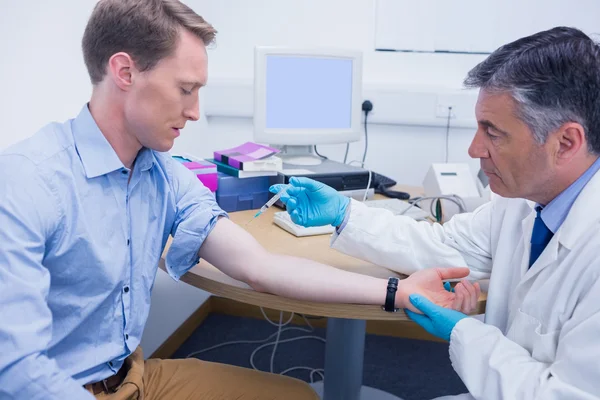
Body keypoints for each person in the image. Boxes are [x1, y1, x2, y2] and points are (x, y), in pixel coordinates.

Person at [0, 1, 475, 399]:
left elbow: (260, 267)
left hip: (134, 378)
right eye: (185, 89)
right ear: (124, 71)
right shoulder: (28, 182)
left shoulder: (163, 175)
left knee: (298, 396)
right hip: (58, 389)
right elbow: (16, 370)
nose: (194, 111)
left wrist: (398, 292)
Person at [271, 26, 600, 399]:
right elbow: (442, 248)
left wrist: (465, 330)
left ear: (566, 142)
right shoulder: (521, 201)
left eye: (493, 133)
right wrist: (345, 213)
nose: (475, 149)